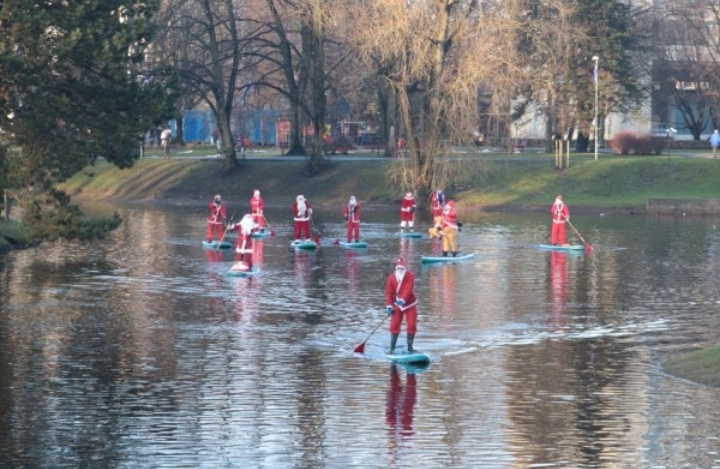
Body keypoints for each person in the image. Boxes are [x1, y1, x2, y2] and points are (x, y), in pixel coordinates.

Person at [385, 258, 419, 354]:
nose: (400, 270)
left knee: (412, 325)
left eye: (402, 268)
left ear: (404, 268)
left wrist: (403, 299)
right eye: (398, 268)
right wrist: (389, 306)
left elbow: (408, 289)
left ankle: (410, 347)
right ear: (396, 268)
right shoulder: (391, 278)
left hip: (410, 303)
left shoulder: (410, 276)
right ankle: (392, 348)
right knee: (394, 324)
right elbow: (389, 292)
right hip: (397, 304)